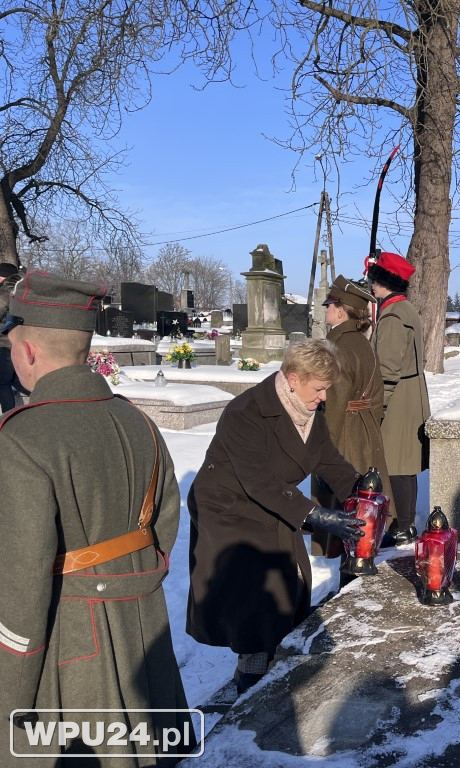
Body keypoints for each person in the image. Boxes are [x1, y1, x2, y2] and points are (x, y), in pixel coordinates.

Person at [0, 271, 191, 764]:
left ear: (27, 351)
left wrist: (9, 707)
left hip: (68, 651)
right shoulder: (139, 421)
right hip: (145, 632)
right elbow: (163, 530)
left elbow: (20, 592)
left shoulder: (22, 438)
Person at [186, 338, 365, 695]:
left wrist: (361, 492)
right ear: (294, 378)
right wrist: (315, 515)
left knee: (291, 579)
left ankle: (272, 658)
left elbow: (328, 459)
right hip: (229, 508)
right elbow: (258, 480)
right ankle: (251, 673)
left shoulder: (308, 412)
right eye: (319, 389)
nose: (324, 397)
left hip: (273, 502)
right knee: (255, 591)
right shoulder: (247, 411)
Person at [312, 274, 393, 558]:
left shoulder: (336, 347)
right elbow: (378, 396)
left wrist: (324, 452)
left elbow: (333, 401)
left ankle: (348, 579)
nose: (325, 310)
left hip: (343, 435)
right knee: (364, 510)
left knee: (347, 515)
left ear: (341, 309)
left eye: (329, 305)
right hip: (366, 431)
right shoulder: (363, 344)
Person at [367, 252, 431, 544]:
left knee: (396, 465)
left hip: (398, 396)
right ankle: (405, 522)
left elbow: (387, 368)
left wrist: (378, 407)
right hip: (411, 392)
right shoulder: (405, 309)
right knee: (404, 463)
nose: (371, 286)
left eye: (375, 281)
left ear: (383, 282)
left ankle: (403, 525)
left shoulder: (392, 316)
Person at [0, 262, 23, 412]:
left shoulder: (5, 291)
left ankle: (8, 419)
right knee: (15, 380)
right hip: (17, 341)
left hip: (4, 343)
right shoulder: (19, 290)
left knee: (2, 382)